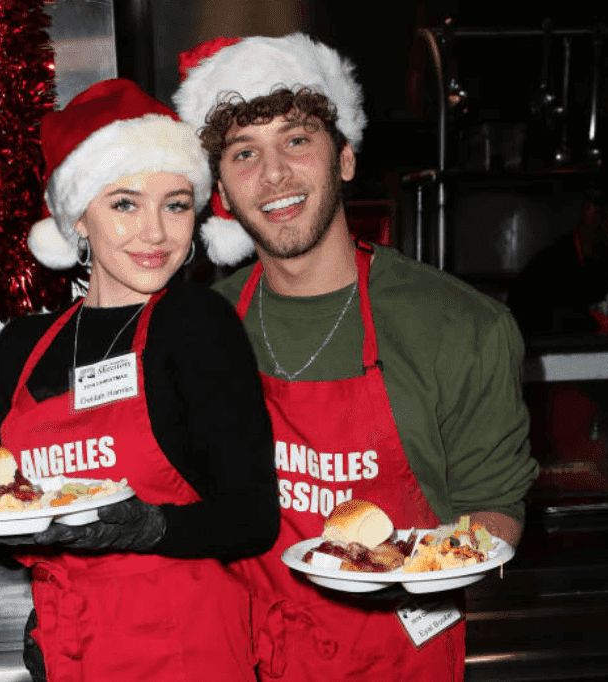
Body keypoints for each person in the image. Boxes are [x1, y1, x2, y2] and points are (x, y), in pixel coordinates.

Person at [173, 33, 539, 681]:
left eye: (296, 139)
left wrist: (418, 572)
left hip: (398, 656)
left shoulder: (463, 326)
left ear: (343, 157)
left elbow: (495, 509)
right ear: (222, 191)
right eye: (244, 153)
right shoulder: (194, 333)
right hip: (240, 654)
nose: (275, 174)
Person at [0, 78, 278, 682]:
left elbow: (252, 519)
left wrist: (150, 525)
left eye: (175, 204)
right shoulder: (21, 345)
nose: (156, 232)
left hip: (185, 650)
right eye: (124, 203)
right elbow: (15, 516)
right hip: (68, 645)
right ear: (78, 219)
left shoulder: (193, 323)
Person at [507, 180, 608, 337]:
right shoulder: (544, 272)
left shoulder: (605, 264)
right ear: (591, 213)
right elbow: (526, 327)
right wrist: (594, 324)